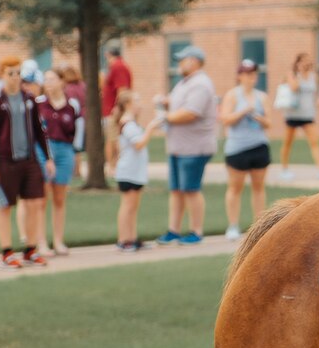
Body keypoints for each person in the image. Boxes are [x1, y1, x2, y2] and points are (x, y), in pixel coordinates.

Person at [0, 56, 54, 267]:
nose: (15, 77)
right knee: (5, 206)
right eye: (10, 73)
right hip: (6, 161)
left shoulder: (29, 99)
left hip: (29, 159)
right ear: (2, 75)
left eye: (18, 73)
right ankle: (7, 251)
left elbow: (39, 130)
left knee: (35, 202)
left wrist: (48, 157)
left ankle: (31, 248)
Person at [155, 45, 217, 245]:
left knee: (191, 189)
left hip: (194, 147)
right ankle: (173, 229)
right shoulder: (184, 83)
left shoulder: (200, 84)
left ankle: (196, 231)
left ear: (194, 61)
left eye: (182, 60)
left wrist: (165, 117)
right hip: (178, 146)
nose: (179, 63)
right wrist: (166, 103)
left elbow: (191, 112)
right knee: (176, 190)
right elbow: (177, 105)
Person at [221, 58, 271, 238]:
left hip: (258, 144)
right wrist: (242, 111)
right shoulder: (232, 95)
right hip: (237, 147)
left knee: (258, 186)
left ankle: (259, 224)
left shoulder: (261, 97)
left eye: (254, 73)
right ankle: (233, 225)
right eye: (248, 73)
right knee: (235, 187)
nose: (251, 77)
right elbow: (225, 119)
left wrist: (259, 117)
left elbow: (269, 122)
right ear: (240, 76)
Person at [38, 68, 79, 255]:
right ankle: (41, 242)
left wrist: (74, 154)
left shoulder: (72, 106)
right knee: (42, 198)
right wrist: (46, 156)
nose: (48, 83)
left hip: (65, 150)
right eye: (46, 79)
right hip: (45, 150)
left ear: (62, 81)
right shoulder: (39, 104)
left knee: (60, 198)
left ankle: (58, 240)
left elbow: (76, 133)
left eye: (52, 79)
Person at [113, 91, 158, 250]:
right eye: (136, 100)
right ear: (127, 104)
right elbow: (139, 144)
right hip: (128, 172)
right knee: (127, 206)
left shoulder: (132, 123)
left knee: (133, 207)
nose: (140, 104)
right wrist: (151, 128)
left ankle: (132, 238)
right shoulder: (127, 124)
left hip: (136, 172)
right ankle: (123, 239)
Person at [276, 51, 319, 178]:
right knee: (288, 143)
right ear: (298, 62)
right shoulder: (292, 74)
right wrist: (300, 73)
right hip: (293, 115)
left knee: (314, 141)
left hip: (308, 115)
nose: (306, 63)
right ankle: (284, 169)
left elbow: (315, 93)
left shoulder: (314, 76)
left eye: (308, 60)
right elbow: (293, 87)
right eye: (303, 60)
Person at [100, 40, 132, 172]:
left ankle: (113, 167)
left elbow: (122, 89)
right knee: (112, 138)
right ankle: (113, 166)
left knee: (113, 140)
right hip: (110, 109)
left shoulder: (118, 66)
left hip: (114, 110)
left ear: (108, 54)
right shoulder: (114, 67)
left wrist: (118, 108)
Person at [59, 61, 88, 179]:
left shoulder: (69, 89)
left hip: (75, 118)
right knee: (79, 147)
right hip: (86, 117)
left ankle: (74, 171)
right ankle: (78, 170)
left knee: (74, 146)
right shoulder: (83, 85)